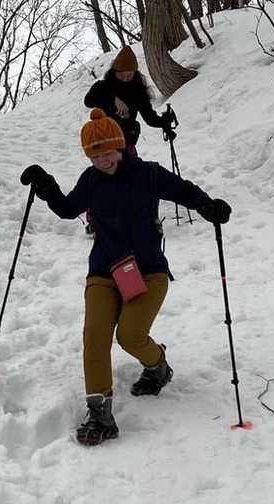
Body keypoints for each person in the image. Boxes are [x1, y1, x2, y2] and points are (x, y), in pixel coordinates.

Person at [19, 109, 232, 446]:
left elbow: (184, 191)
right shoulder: (91, 180)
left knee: (131, 336)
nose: (102, 161)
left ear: (120, 147)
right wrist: (46, 185)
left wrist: (208, 206)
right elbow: (67, 209)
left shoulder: (148, 174)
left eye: (107, 153)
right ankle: (100, 414)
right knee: (95, 335)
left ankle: (158, 366)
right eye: (95, 156)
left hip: (149, 271)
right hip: (104, 270)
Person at [83, 47, 176, 156]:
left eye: (129, 75)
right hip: (105, 141)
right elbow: (88, 101)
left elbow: (150, 118)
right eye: (122, 75)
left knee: (131, 165)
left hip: (126, 140)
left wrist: (164, 122)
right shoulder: (102, 87)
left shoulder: (138, 91)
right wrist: (113, 99)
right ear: (114, 72)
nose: (126, 79)